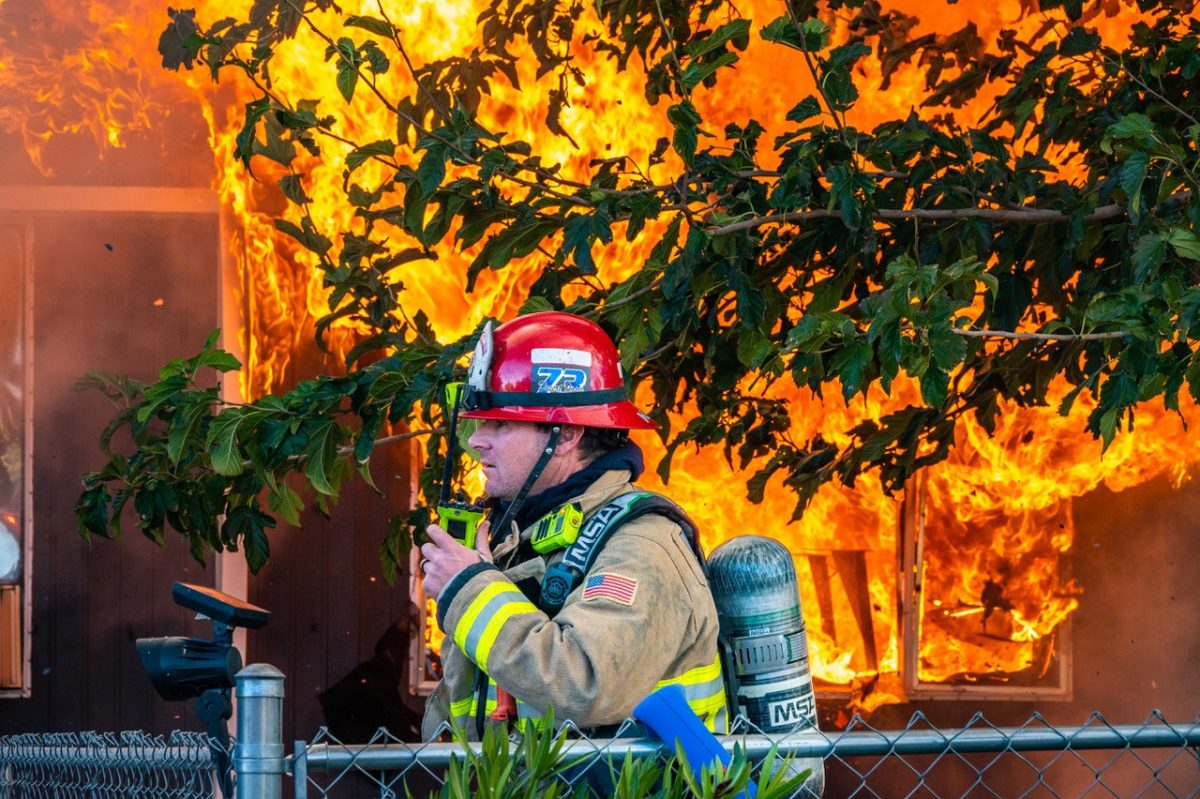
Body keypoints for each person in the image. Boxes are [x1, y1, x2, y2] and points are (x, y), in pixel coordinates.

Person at [418, 311, 726, 741]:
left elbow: (583, 683)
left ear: (565, 435)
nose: (476, 440)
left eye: (501, 423)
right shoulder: (521, 538)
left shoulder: (642, 545)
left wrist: (468, 591)